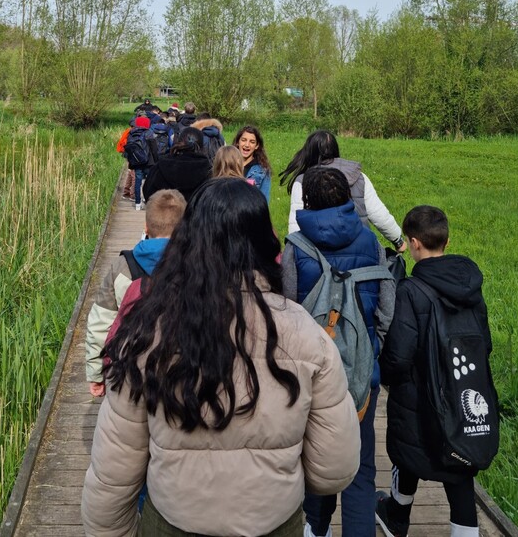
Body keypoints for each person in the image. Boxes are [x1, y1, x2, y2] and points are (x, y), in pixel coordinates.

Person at [81, 178, 361, 537]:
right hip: (274, 522)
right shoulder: (306, 335)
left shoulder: (148, 331)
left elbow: (114, 473)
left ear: (187, 240)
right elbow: (333, 469)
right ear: (265, 242)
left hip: (173, 522)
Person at [282, 167, 395, 537]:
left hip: (309, 374)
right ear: (349, 198)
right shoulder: (371, 243)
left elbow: (285, 311)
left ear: (308, 201)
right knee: (361, 469)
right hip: (362, 374)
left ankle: (316, 529)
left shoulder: (295, 247)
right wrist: (368, 346)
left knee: (315, 458)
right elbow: (386, 309)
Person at [376, 206, 492, 537]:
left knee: (407, 452)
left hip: (418, 398)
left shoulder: (412, 291)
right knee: (460, 470)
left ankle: (397, 516)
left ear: (413, 243)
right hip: (460, 395)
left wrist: (387, 376)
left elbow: (398, 356)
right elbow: (483, 343)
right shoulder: (470, 288)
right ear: (447, 241)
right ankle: (466, 532)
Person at [85, 189, 186, 397]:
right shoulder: (193, 265)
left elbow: (100, 322)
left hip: (128, 368)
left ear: (146, 227)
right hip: (178, 368)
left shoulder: (122, 267)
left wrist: (96, 373)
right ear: (184, 229)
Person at [280, 130, 405, 251]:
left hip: (320, 255)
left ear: (309, 152)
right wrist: (397, 240)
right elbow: (378, 214)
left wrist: (294, 252)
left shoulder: (303, 181)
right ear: (335, 148)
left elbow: (296, 223)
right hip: (360, 249)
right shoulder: (359, 177)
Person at [142, 126, 211, 203]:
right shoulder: (208, 171)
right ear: (202, 146)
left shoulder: (161, 166)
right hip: (195, 214)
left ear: (179, 141)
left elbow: (148, 193)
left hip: (165, 212)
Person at [124, 116, 159, 210]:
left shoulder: (131, 133)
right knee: (149, 182)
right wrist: (157, 161)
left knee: (137, 182)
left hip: (136, 162)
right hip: (149, 161)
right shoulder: (149, 133)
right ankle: (148, 200)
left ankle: (137, 203)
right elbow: (154, 149)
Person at [233, 124, 272, 201]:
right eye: (243, 140)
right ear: (238, 142)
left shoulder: (263, 170)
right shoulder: (228, 165)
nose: (247, 145)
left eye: (252, 142)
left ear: (257, 146)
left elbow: (264, 200)